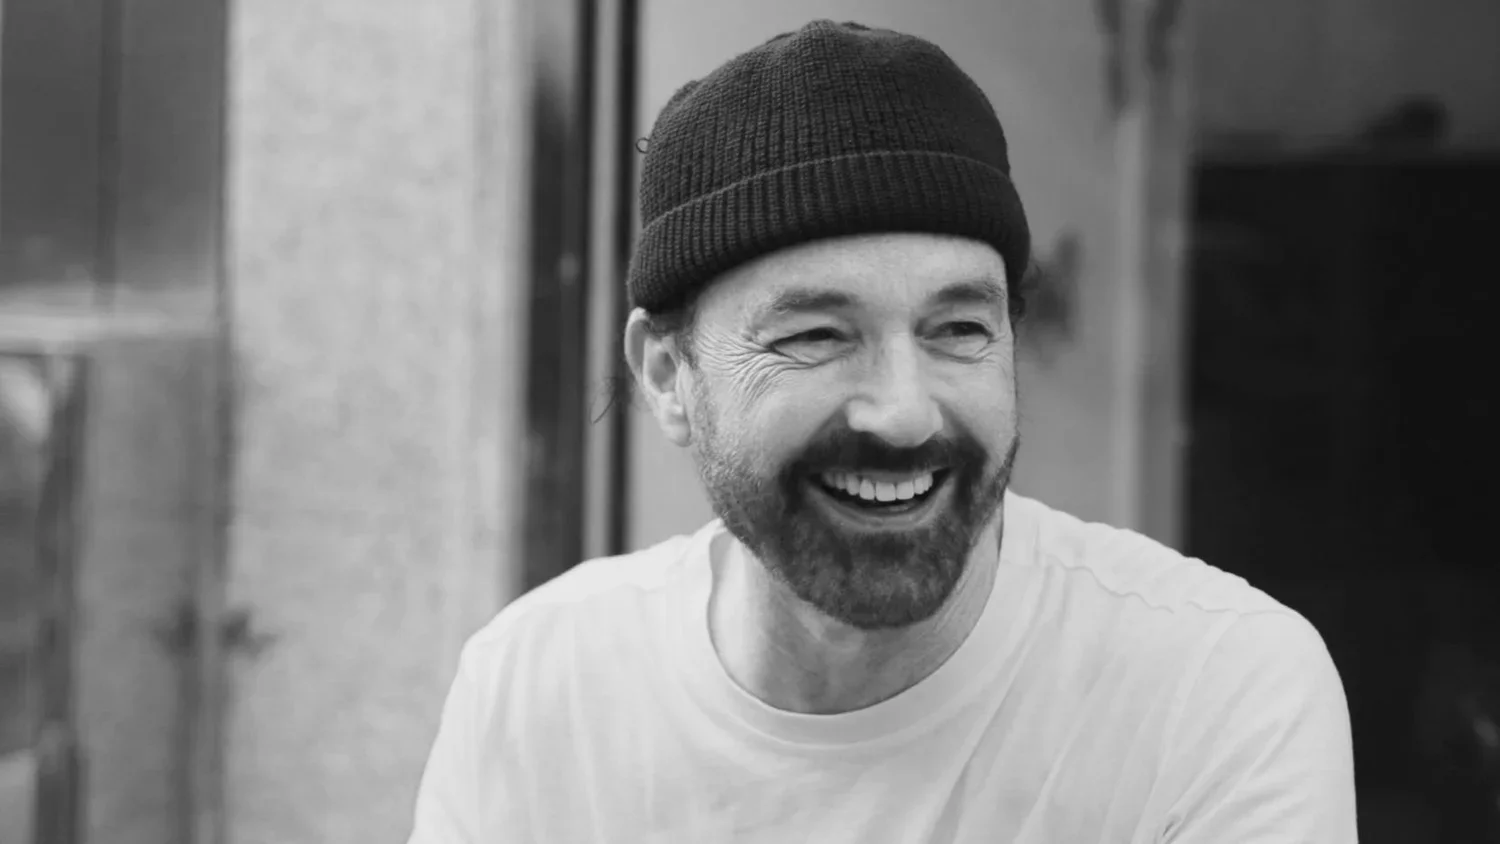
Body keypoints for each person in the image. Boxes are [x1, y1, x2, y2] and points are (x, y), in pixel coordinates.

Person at [407, 20, 1356, 843]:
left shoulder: (1214, 691)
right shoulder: (539, 691)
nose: (903, 411)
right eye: (817, 335)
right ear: (668, 376)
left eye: (958, 331)